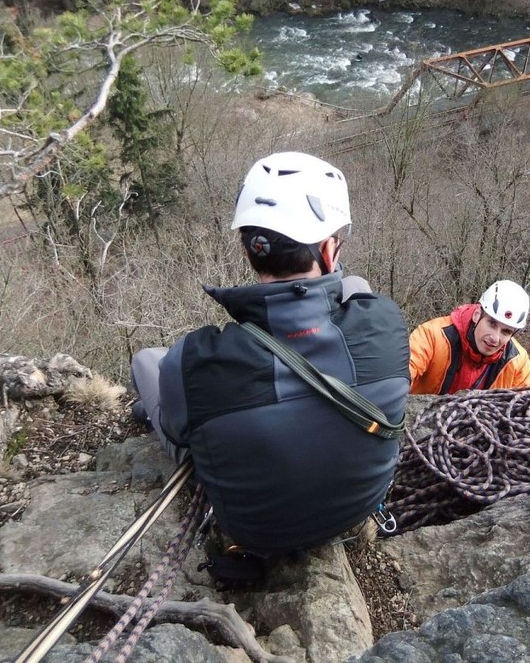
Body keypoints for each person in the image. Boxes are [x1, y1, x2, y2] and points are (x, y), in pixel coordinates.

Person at [130, 151, 409, 554]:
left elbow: (177, 434)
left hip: (256, 530)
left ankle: (142, 410)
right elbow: (349, 290)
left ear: (249, 250)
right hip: (357, 506)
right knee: (357, 287)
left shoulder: (193, 360)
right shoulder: (386, 322)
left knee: (146, 360)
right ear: (330, 251)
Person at [408, 279, 530, 395]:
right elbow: (402, 371)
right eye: (491, 324)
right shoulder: (433, 336)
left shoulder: (516, 362)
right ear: (477, 315)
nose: (495, 338)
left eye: (506, 332)